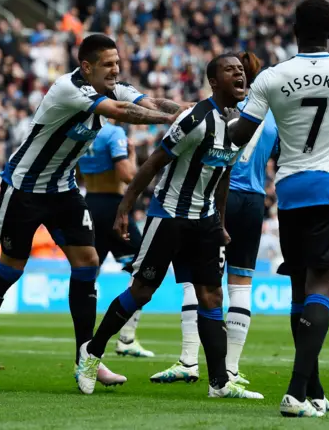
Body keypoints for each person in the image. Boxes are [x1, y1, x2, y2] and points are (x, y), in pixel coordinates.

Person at [0, 34, 187, 392]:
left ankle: (86, 359)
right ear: (87, 67)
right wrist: (171, 123)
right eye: (108, 64)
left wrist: (193, 111)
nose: (116, 69)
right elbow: (124, 113)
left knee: (87, 263)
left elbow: (150, 101)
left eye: (117, 62)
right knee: (11, 268)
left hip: (63, 189)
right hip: (24, 189)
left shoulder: (114, 87)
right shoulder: (68, 89)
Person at [226, 0, 329, 417]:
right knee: (321, 290)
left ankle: (313, 390)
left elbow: (240, 132)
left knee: (300, 290)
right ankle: (296, 392)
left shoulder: (272, 77)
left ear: (294, 28)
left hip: (290, 192)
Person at [75, 54, 263, 400]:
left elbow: (222, 176)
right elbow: (155, 162)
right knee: (143, 290)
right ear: (214, 82)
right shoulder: (195, 119)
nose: (239, 73)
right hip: (170, 216)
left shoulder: (238, 125)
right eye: (230, 70)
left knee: (212, 296)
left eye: (241, 70)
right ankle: (92, 354)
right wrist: (125, 207)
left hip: (205, 220)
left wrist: (219, 222)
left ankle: (219, 382)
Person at [150, 52, 278, 386]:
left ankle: (189, 361)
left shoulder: (226, 107)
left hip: (216, 196)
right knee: (240, 285)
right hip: (253, 200)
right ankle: (231, 369)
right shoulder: (273, 116)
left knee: (199, 282)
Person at [77, 122, 154, 358]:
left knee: (89, 272)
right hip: (113, 206)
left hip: (90, 203)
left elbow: (78, 173)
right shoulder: (113, 133)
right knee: (145, 268)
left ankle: (83, 340)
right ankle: (126, 337)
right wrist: (132, 155)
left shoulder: (81, 132)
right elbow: (128, 175)